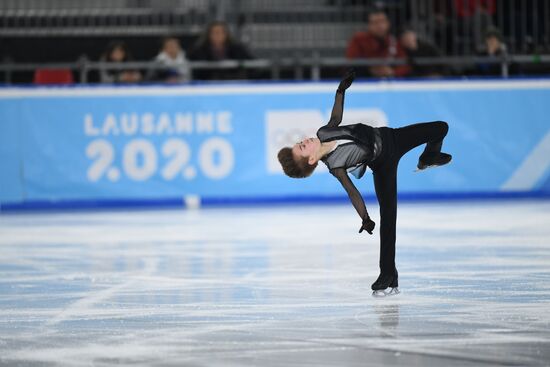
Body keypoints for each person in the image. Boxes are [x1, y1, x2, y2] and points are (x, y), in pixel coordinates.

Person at [277, 70, 452, 297]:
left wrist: (340, 90)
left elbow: (336, 117)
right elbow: (352, 191)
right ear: (311, 160)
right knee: (389, 218)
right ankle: (388, 275)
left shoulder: (324, 132)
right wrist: (365, 218)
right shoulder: (335, 165)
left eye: (300, 141)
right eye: (302, 146)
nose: (304, 140)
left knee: (440, 128)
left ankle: (429, 157)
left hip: (393, 139)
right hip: (382, 166)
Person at [345, 9, 410, 78]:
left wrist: (392, 72)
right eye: (375, 23)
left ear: (388, 23)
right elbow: (351, 62)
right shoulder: (359, 39)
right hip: (364, 80)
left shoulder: (394, 41)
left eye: (382, 22)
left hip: (390, 81)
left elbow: (405, 65)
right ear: (368, 25)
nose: (380, 26)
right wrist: (370, 69)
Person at [188, 21, 254, 80]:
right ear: (209, 35)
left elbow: (251, 63)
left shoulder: (237, 49)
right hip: (208, 84)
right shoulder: (199, 51)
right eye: (215, 32)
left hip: (233, 82)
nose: (218, 35)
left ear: (226, 34)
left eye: (221, 32)